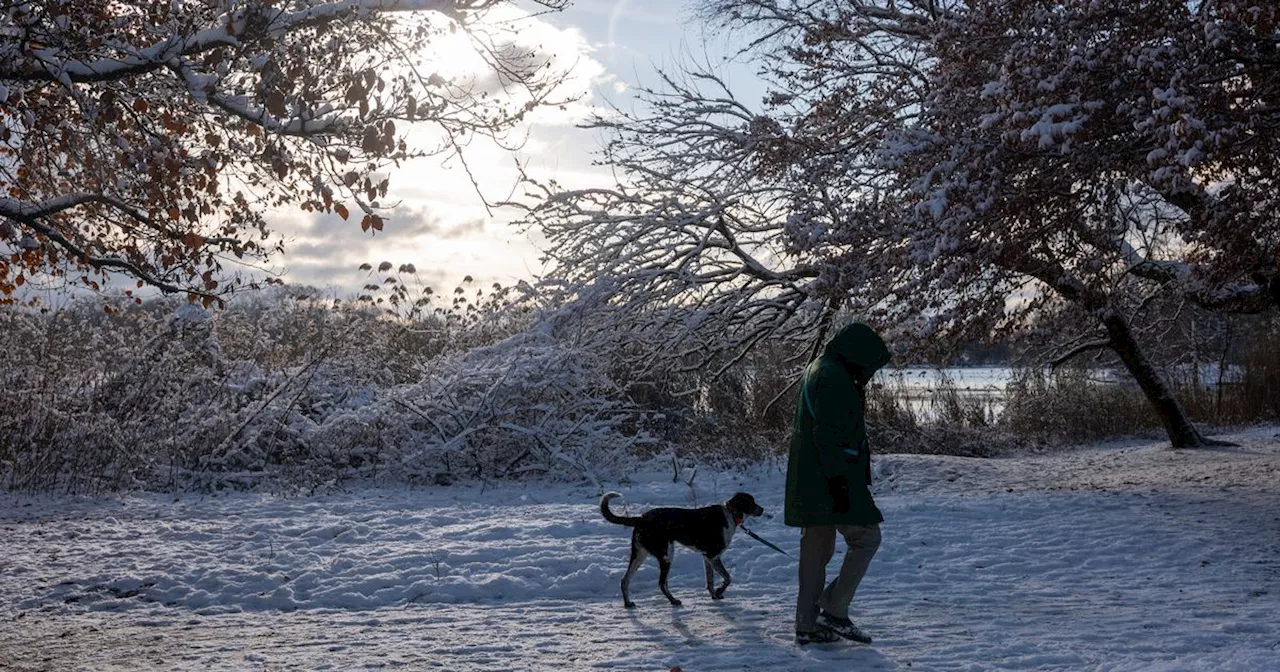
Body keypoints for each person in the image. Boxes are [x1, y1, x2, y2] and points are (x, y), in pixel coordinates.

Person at [785, 322, 890, 646]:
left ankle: (807, 624)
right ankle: (833, 608)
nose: (870, 373)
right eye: (871, 366)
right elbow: (830, 438)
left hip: (811, 479)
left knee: (816, 549)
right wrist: (842, 485)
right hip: (831, 479)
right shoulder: (836, 379)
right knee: (867, 537)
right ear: (859, 356)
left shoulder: (820, 367)